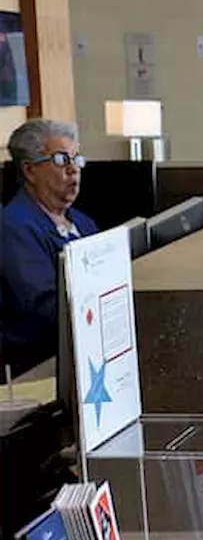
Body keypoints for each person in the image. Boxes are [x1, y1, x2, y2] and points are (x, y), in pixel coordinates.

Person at [0, 119, 96, 377]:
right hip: (38, 366)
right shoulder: (13, 228)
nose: (73, 170)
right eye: (61, 159)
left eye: (76, 159)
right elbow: (45, 309)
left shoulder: (83, 222)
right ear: (30, 171)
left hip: (84, 350)